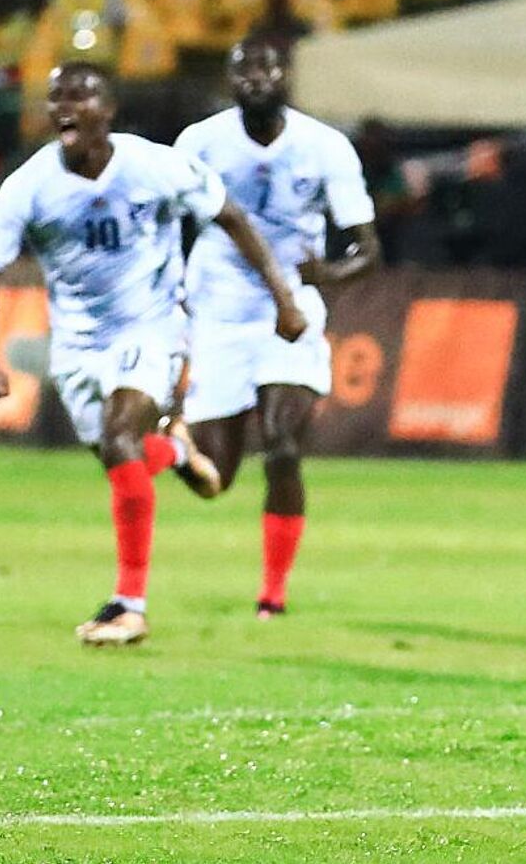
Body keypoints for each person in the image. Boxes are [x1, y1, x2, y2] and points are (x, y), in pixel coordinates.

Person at [0, 62, 307, 646]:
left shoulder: (153, 166)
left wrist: (284, 298)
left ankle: (129, 604)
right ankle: (173, 452)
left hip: (153, 328)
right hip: (76, 344)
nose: (66, 108)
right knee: (118, 454)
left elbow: (230, 214)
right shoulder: (30, 186)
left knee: (120, 437)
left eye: (81, 97)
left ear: (109, 110)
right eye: (57, 100)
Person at [171, 33, 381, 619]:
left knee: (283, 445)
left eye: (268, 69)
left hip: (290, 311)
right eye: (245, 71)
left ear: (287, 78)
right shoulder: (200, 143)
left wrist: (328, 275)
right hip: (219, 309)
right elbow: (165, 224)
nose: (257, 80)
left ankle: (273, 593)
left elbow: (369, 250)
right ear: (229, 81)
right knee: (217, 477)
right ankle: (168, 437)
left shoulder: (325, 147)